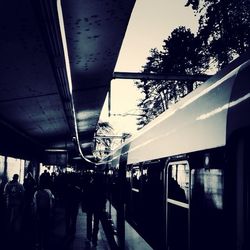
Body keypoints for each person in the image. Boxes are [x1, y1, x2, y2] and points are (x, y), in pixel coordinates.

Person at [84, 171, 106, 246]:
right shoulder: (102, 186)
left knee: (89, 222)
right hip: (98, 207)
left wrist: (85, 206)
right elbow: (103, 197)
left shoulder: (89, 184)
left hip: (90, 206)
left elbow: (86, 196)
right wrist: (103, 206)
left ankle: (88, 237)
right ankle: (94, 239)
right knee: (96, 223)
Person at [33, 176, 54, 250]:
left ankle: (38, 242)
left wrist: (35, 214)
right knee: (46, 228)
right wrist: (51, 213)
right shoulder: (49, 192)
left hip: (39, 212)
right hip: (46, 212)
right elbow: (51, 204)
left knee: (38, 228)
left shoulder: (36, 193)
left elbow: (35, 205)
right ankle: (45, 243)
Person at [63, 173, 82, 237]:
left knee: (67, 219)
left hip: (68, 205)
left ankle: (67, 231)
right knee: (74, 220)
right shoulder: (77, 189)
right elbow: (80, 198)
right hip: (74, 206)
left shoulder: (66, 188)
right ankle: (73, 232)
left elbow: (64, 197)